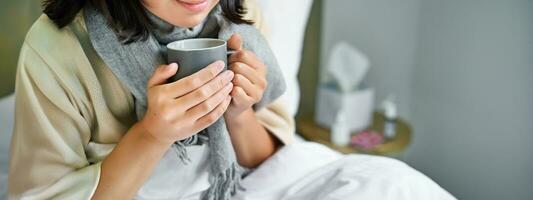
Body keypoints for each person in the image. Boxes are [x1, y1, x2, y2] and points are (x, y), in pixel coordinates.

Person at [8, 0, 294, 199]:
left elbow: (268, 162)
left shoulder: (241, 20)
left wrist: (238, 114)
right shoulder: (57, 47)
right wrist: (153, 134)